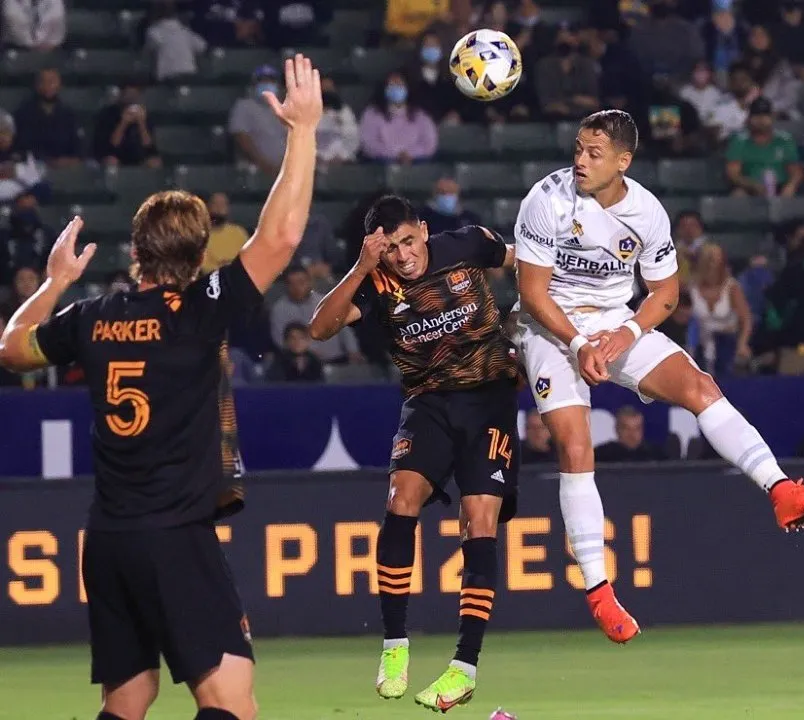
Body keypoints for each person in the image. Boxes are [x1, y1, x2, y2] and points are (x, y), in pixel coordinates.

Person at [0, 54, 322, 720]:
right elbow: (283, 234)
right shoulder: (204, 311)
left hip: (109, 540)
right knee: (231, 701)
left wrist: (56, 280)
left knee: (129, 699)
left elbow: (10, 349)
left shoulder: (91, 318)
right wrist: (303, 131)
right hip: (175, 537)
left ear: (135, 254)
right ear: (201, 256)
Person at [512, 109, 804, 646]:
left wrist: (627, 333)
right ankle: (600, 592)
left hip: (614, 324)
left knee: (701, 388)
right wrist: (577, 343)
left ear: (623, 161)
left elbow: (665, 294)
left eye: (593, 154)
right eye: (578, 148)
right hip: (551, 329)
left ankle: (782, 491)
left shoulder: (645, 211)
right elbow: (532, 293)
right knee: (576, 447)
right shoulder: (547, 199)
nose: (579, 160)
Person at [309, 196, 519, 712]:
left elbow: (527, 262)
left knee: (479, 520)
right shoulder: (376, 282)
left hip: (489, 396)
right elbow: (319, 328)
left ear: (423, 230)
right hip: (427, 403)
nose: (402, 256)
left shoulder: (468, 245)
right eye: (390, 249)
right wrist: (362, 266)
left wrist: (528, 323)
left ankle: (464, 668)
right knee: (401, 501)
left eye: (407, 241)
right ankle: (395, 645)